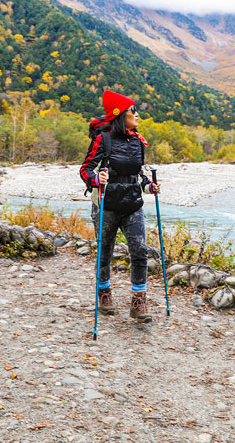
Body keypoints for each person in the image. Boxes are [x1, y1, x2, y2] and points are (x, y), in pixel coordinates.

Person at [79, 90, 160, 323]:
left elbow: (139, 173)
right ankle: (104, 293)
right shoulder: (102, 139)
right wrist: (96, 180)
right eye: (133, 111)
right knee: (105, 251)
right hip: (105, 203)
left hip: (132, 203)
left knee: (140, 251)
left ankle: (138, 302)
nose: (137, 115)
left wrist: (149, 187)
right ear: (120, 114)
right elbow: (86, 169)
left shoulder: (137, 140)